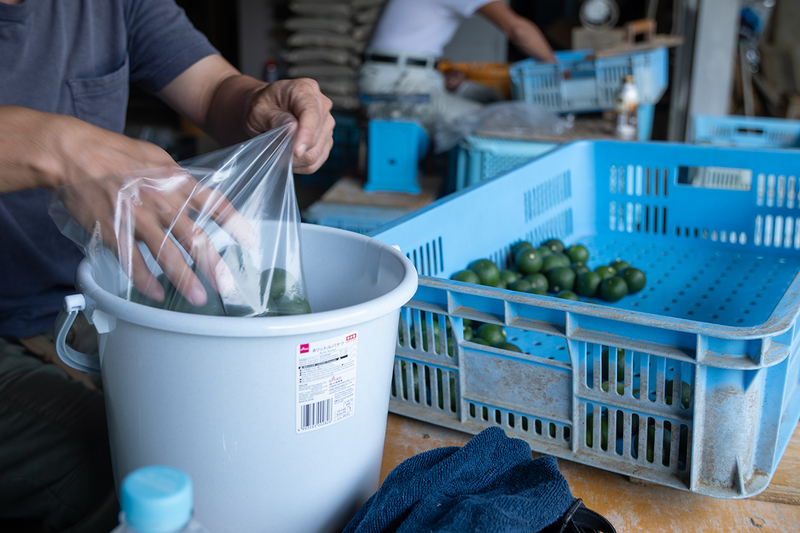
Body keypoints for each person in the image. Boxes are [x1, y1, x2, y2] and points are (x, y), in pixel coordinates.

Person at [0, 0, 334, 531]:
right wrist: (56, 147)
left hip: (98, 302)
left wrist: (256, 105)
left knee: (252, 439)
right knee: (151, 484)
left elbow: (212, 89)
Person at [357, 0, 556, 135]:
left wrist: (438, 70)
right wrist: (555, 67)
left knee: (491, 97)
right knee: (500, 121)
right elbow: (519, 31)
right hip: (397, 85)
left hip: (406, 75)